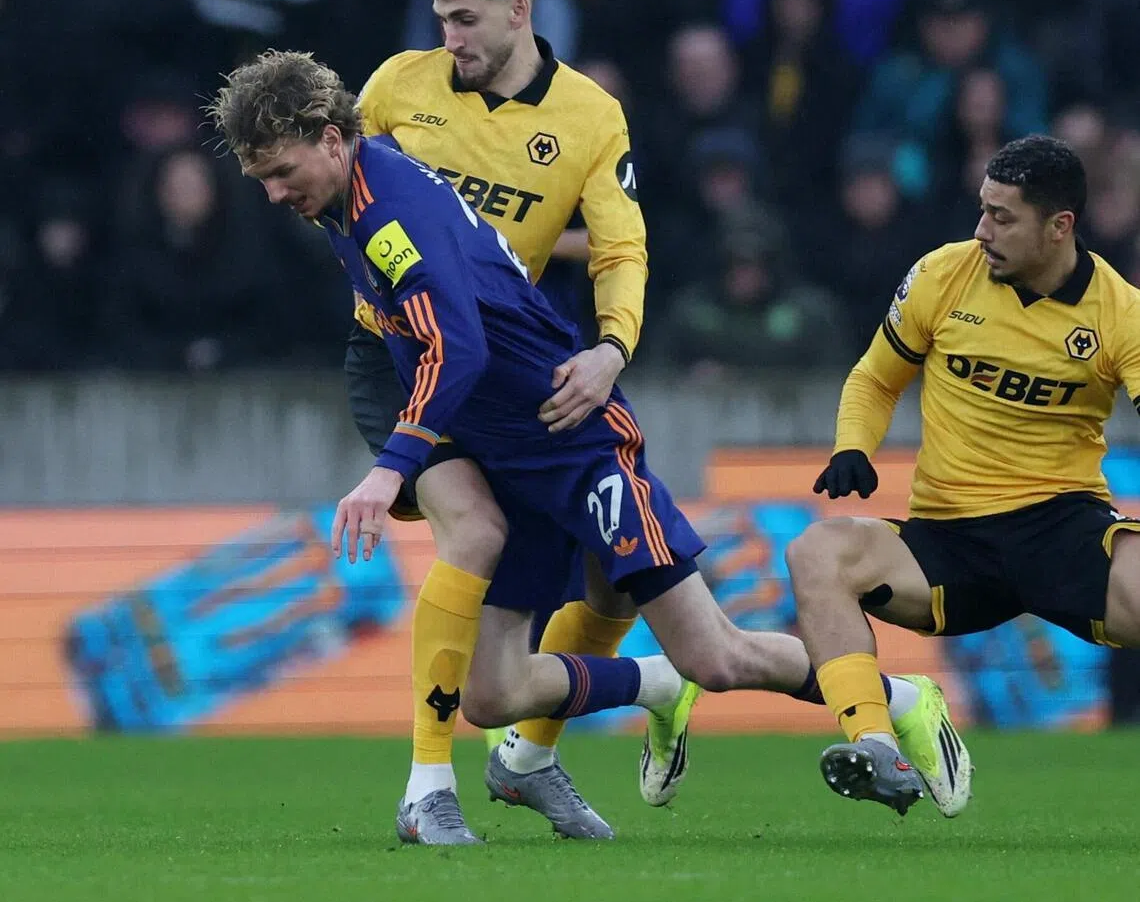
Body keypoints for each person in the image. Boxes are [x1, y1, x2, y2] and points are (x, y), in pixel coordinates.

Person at [207, 50, 959, 841]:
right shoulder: (353, 192)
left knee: (718, 657)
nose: (274, 194)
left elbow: (457, 348)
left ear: (332, 139)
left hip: (575, 445)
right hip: (507, 454)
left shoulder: (387, 216)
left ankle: (903, 700)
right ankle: (648, 686)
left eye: (282, 172)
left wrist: (390, 468)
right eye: (261, 179)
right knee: (491, 696)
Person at [346, 0, 655, 844]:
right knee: (476, 531)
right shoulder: (396, 87)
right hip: (398, 355)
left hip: (506, 360)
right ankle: (426, 787)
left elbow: (621, 246)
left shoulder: (591, 117)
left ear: (521, 11)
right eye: (442, 20)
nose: (450, 39)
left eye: (466, 20)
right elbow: (337, 200)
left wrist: (612, 349)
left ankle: (531, 757)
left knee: (611, 580)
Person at [786, 134, 1140, 817]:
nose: (982, 230)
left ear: (1059, 226)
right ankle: (877, 747)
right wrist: (853, 445)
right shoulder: (943, 274)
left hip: (1062, 529)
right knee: (816, 552)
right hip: (948, 541)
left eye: (1003, 217)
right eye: (983, 209)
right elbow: (875, 378)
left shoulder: (1121, 313)